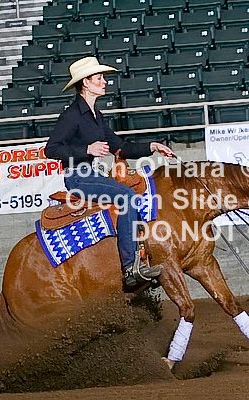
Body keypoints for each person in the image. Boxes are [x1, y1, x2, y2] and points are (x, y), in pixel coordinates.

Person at [45, 56, 173, 287]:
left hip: (92, 175)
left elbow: (120, 147)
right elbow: (51, 149)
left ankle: (141, 257)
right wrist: (87, 149)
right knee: (127, 197)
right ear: (86, 83)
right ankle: (129, 268)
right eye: (99, 78)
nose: (104, 82)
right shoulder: (72, 115)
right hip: (78, 177)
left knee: (135, 195)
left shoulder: (97, 116)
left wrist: (152, 147)